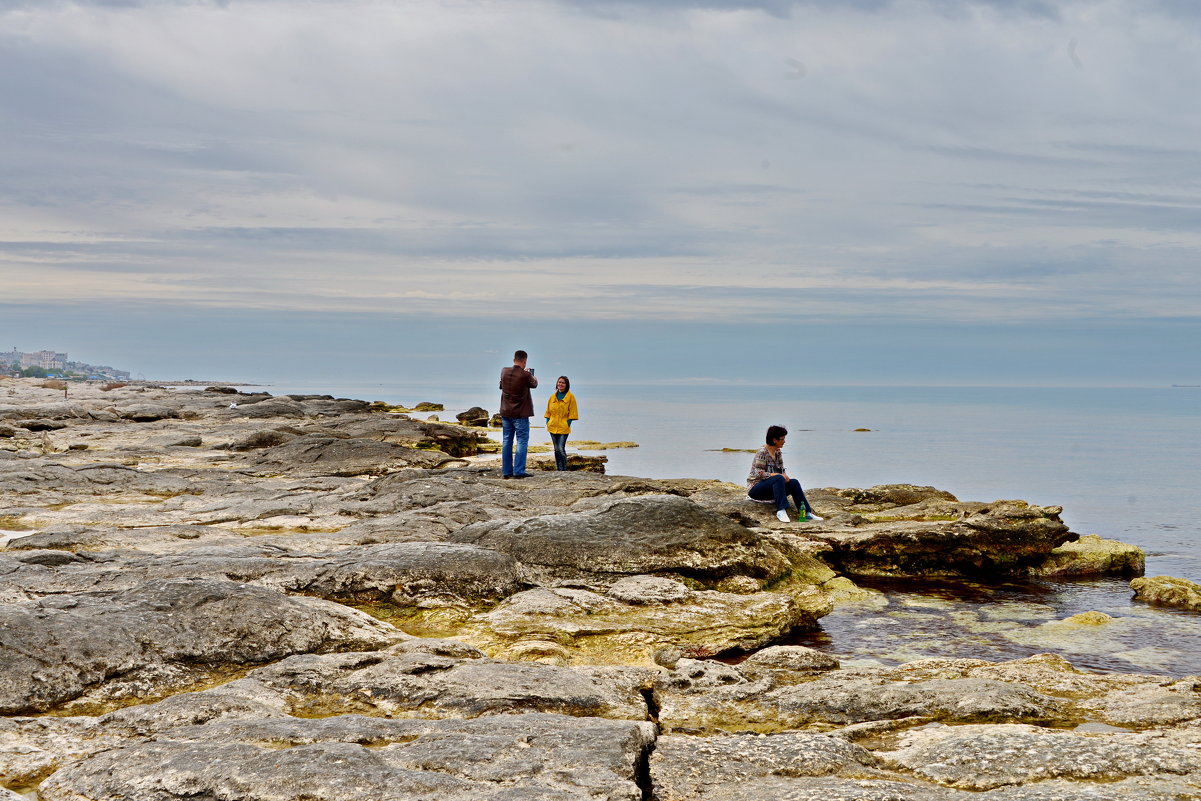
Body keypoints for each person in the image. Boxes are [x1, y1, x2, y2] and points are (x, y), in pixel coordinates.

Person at [746, 424, 823, 523]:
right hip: (756, 489)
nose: (784, 441)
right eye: (782, 439)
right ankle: (781, 510)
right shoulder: (762, 453)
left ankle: (806, 513)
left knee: (794, 482)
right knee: (778, 478)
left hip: (772, 486)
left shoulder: (778, 452)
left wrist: (785, 477)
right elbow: (758, 474)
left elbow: (781, 471)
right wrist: (778, 476)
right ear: (774, 440)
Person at [498, 349, 538, 478]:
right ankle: (518, 471)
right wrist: (532, 376)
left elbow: (501, 386)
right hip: (520, 414)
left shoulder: (504, 371)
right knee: (521, 441)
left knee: (506, 441)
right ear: (525, 361)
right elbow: (534, 384)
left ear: (514, 359)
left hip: (505, 412)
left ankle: (506, 471)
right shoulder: (525, 375)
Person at [544, 375, 579, 471]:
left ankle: (564, 469)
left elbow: (573, 412)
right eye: (559, 382)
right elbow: (548, 411)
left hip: (563, 427)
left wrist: (568, 423)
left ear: (566, 385)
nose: (561, 384)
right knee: (556, 449)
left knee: (560, 448)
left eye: (563, 383)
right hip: (552, 426)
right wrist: (548, 421)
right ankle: (558, 469)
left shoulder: (571, 397)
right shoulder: (552, 397)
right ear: (557, 383)